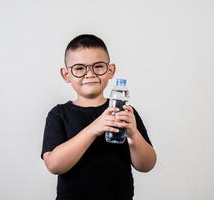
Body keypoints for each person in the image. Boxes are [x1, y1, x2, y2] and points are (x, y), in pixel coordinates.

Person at [41, 34, 157, 200]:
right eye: (79, 68)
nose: (90, 74)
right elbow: (54, 165)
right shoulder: (58, 114)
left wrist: (133, 134)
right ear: (66, 74)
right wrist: (94, 128)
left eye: (98, 66)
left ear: (110, 71)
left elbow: (147, 165)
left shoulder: (124, 111)